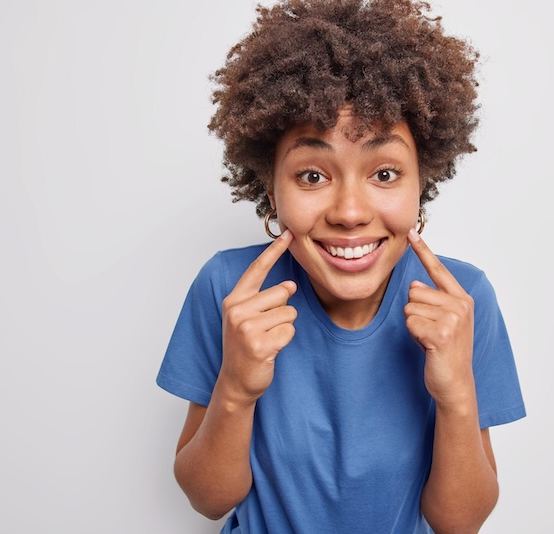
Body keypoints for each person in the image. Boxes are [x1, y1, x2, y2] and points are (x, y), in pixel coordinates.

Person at [157, 0, 525, 532]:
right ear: (270, 189)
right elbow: (209, 499)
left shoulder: (462, 300)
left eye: (384, 173)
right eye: (312, 176)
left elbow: (459, 522)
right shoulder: (229, 289)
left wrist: (457, 395)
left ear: (422, 180)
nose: (350, 213)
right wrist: (235, 388)